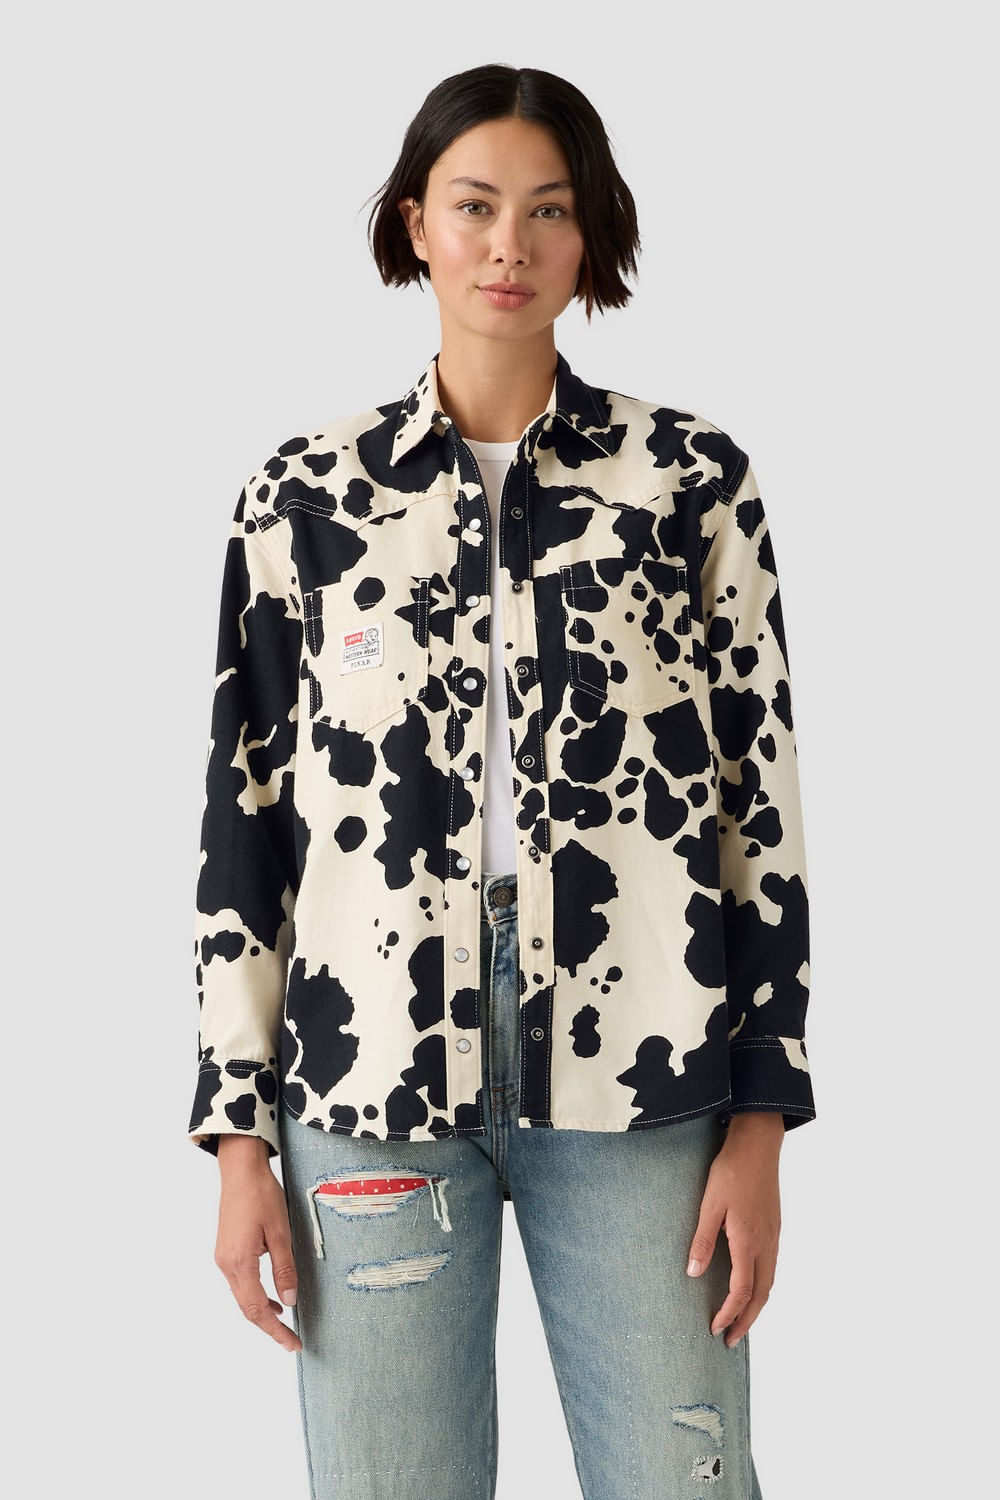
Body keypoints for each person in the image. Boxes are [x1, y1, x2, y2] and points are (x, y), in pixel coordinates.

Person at [189, 63, 815, 1500]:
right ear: (416, 223)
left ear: (592, 234)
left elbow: (758, 812)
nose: (509, 245)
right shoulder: (307, 496)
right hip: (369, 1077)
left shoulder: (688, 483)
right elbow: (245, 823)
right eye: (474, 207)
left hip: (649, 1067)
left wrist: (764, 1114)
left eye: (549, 210)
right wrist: (236, 1136)